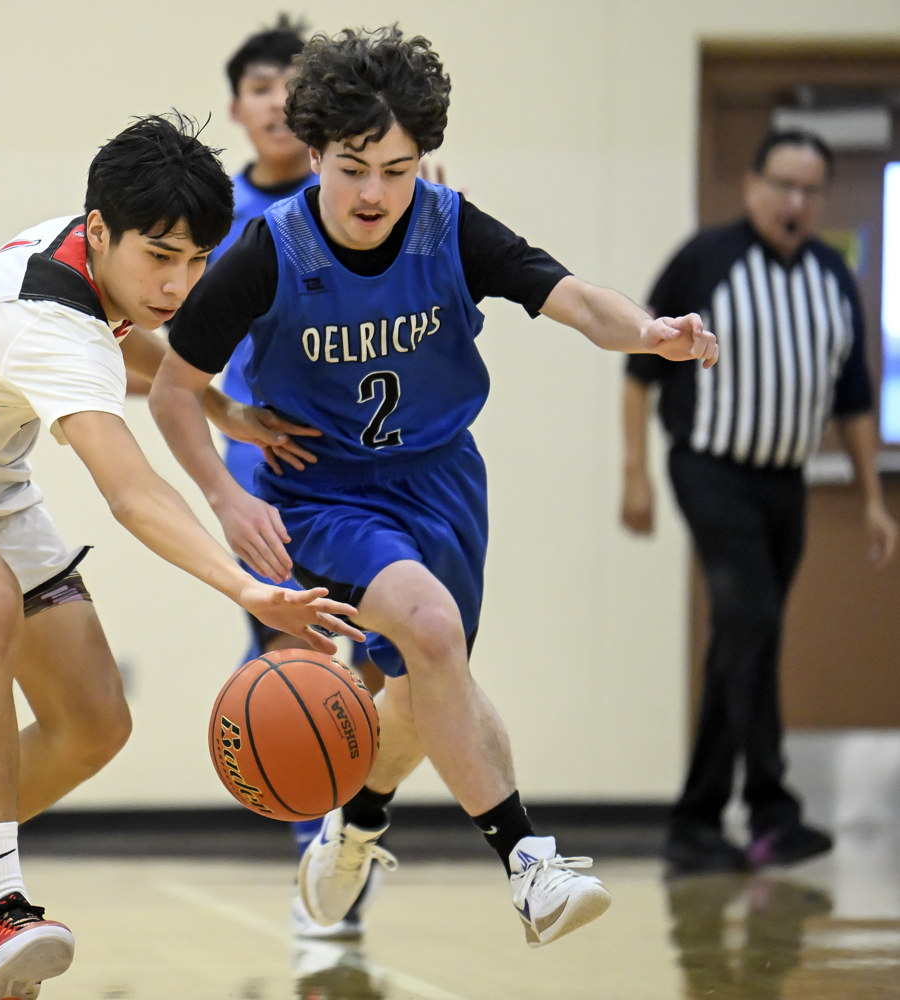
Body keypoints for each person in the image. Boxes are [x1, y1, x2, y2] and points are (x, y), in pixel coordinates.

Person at [148, 26, 719, 948]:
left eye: (398, 168)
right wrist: (226, 492)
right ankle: (528, 861)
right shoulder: (267, 251)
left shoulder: (452, 230)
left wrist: (652, 332)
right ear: (316, 155)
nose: (374, 191)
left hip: (444, 483)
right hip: (325, 490)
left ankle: (360, 820)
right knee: (433, 629)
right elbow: (175, 390)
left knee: (419, 682)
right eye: (353, 166)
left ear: (424, 161)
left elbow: (574, 299)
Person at [0, 113, 363, 1000]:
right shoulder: (45, 325)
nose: (177, 284)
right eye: (160, 257)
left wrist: (216, 408)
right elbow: (132, 491)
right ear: (99, 231)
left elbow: (123, 346)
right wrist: (249, 587)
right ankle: (2, 908)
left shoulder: (95, 262)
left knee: (95, 724)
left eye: (196, 260)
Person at [621, 129, 898, 875]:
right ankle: (736, 813)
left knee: (752, 636)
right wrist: (635, 474)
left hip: (786, 481)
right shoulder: (704, 259)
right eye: (785, 186)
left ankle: (732, 819)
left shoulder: (834, 278)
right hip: (709, 469)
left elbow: (854, 398)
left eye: (812, 191)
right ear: (753, 185)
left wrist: (873, 498)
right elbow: (640, 368)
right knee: (749, 619)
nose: (798, 203)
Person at [211, 14, 387, 941]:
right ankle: (322, 857)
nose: (277, 100)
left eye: (291, 83)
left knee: (379, 660)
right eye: (260, 85)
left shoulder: (365, 205)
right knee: (298, 660)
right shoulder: (212, 222)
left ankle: (348, 832)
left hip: (373, 468)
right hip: (269, 476)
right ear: (238, 106)